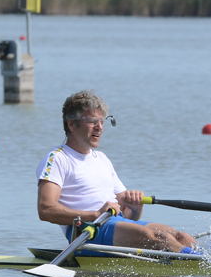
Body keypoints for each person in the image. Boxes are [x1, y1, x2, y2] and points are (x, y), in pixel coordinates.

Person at [36, 90, 197, 252]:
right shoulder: (57, 159)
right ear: (72, 124)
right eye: (92, 121)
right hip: (86, 231)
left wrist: (135, 207)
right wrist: (94, 214)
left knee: (181, 237)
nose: (99, 128)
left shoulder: (102, 159)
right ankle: (202, 268)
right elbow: (46, 210)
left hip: (112, 226)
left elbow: (127, 218)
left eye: (102, 121)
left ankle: (206, 262)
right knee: (159, 238)